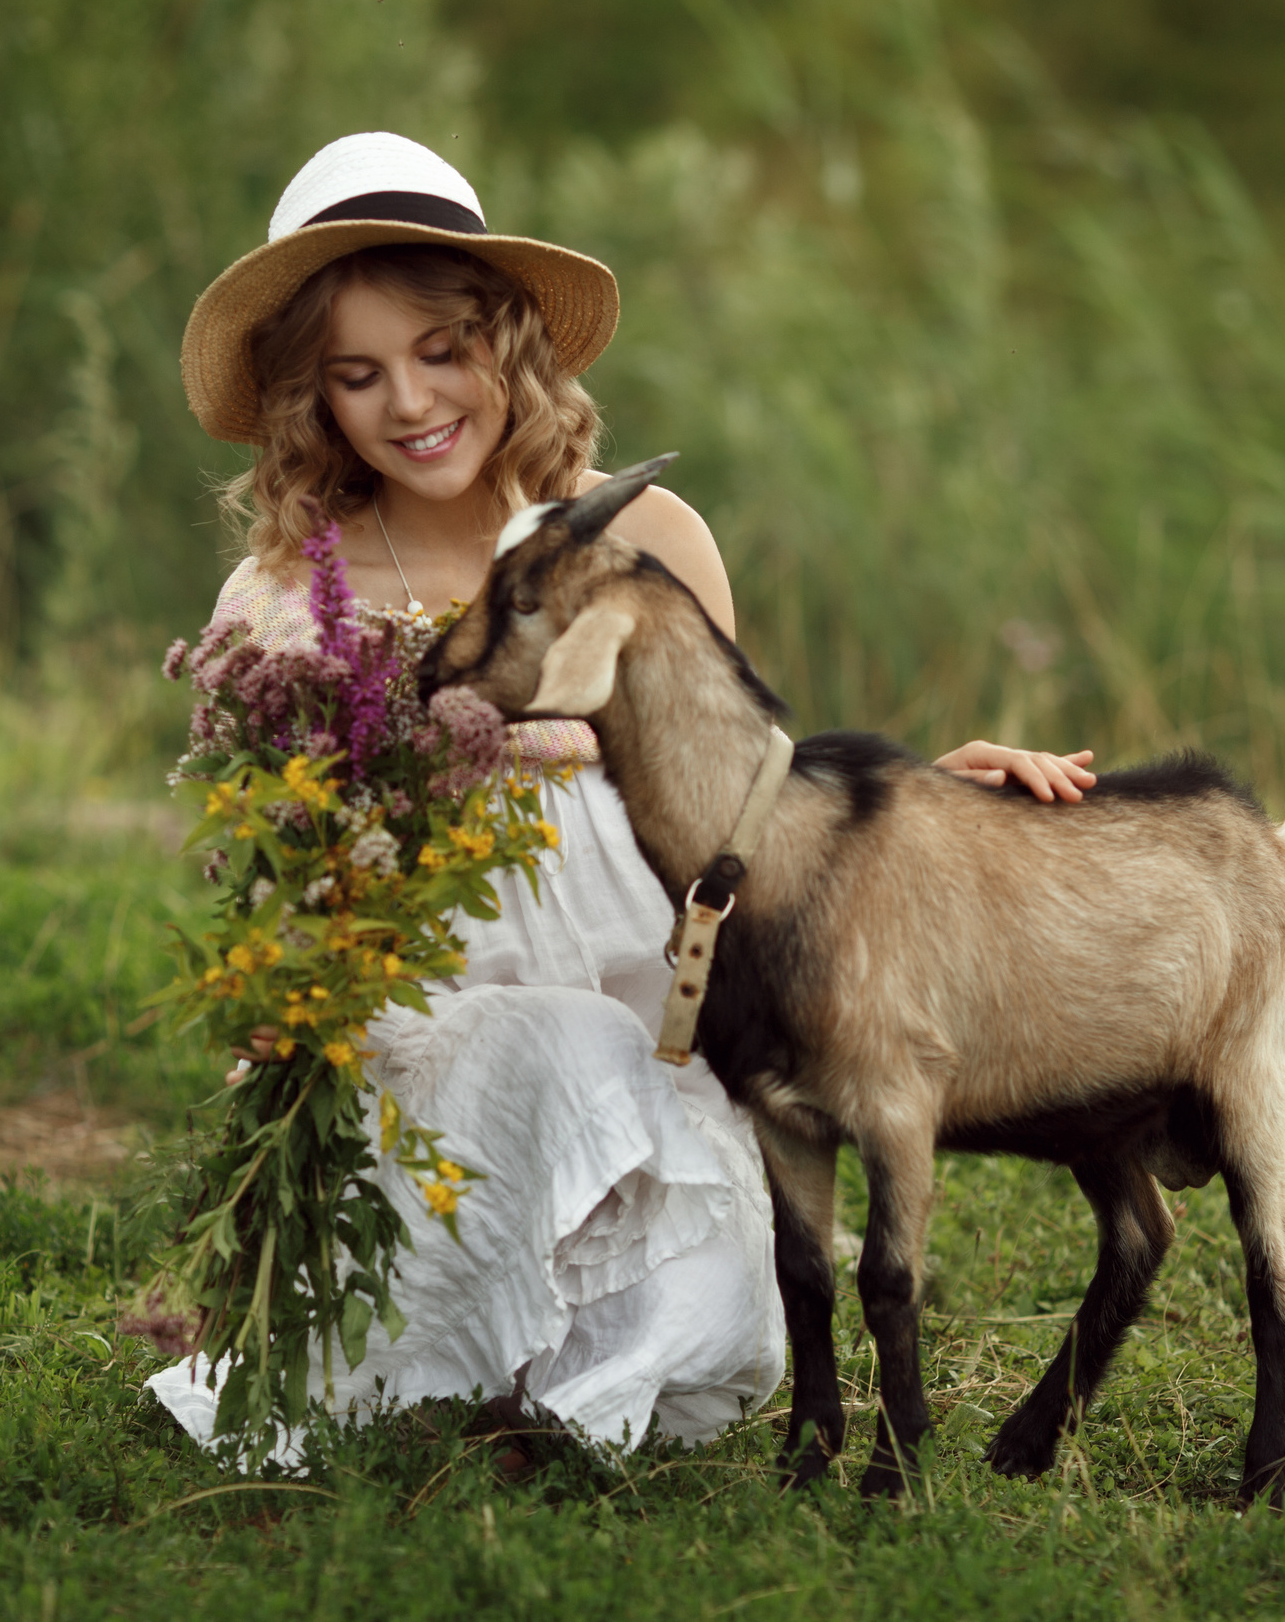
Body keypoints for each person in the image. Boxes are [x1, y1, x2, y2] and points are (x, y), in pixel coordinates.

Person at [144, 133, 1096, 1465]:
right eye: (356, 376)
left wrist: (934, 794)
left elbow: (743, 811)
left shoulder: (648, 541)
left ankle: (550, 1372)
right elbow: (270, 884)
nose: (410, 402)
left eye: (441, 351)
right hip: (422, 1037)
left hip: (650, 1033)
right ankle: (455, 1342)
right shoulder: (292, 596)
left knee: (715, 1318)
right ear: (313, 398)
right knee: (532, 1069)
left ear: (507, 342)